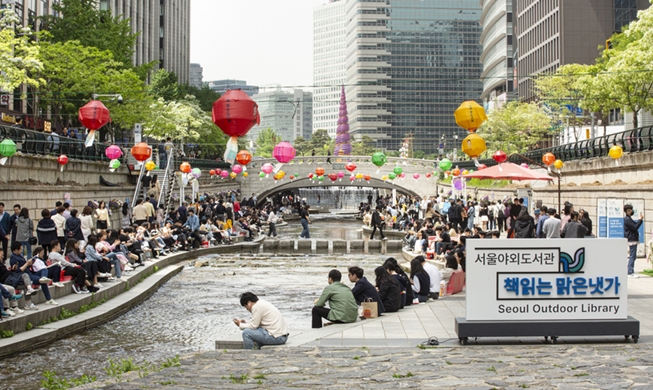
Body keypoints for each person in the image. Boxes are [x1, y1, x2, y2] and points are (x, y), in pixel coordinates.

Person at [624, 204, 644, 278]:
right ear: (626, 211)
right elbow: (635, 227)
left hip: (632, 238)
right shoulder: (627, 219)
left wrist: (639, 221)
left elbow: (635, 225)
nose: (631, 211)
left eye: (631, 210)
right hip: (631, 238)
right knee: (632, 255)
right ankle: (630, 271)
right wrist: (640, 220)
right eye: (629, 210)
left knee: (633, 255)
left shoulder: (629, 218)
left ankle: (630, 270)